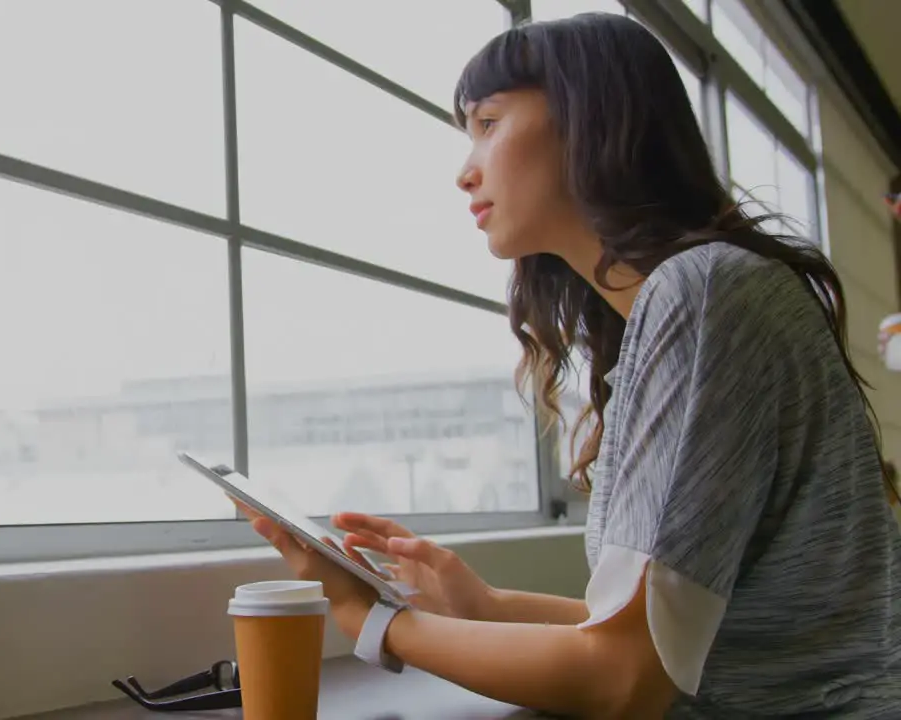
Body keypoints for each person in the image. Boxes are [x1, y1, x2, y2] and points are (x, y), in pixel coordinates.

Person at [239, 12, 901, 719]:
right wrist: (484, 606)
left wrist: (376, 623)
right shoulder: (688, 305)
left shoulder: (704, 292)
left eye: (489, 122)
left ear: (591, 119)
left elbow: (624, 679)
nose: (465, 172)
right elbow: (683, 645)